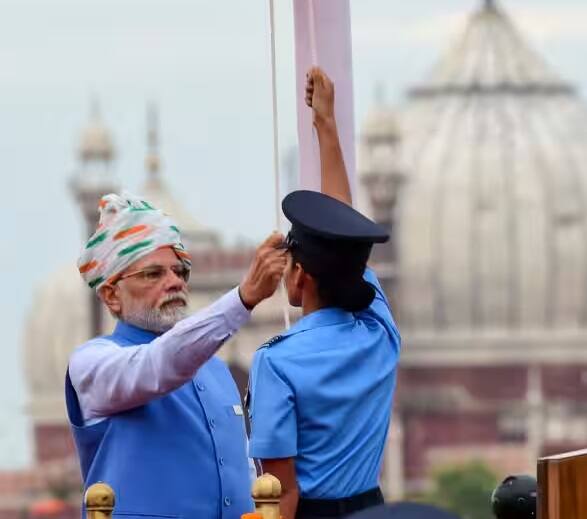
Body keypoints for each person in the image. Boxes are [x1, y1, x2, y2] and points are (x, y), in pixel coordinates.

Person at [66, 193, 287, 519]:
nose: (173, 283)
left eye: (180, 272)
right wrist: (242, 300)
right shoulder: (93, 364)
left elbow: (242, 468)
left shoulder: (216, 370)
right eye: (153, 274)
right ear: (112, 295)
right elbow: (158, 365)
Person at [247, 67, 401, 519]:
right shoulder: (379, 332)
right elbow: (344, 232)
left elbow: (280, 494)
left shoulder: (276, 362)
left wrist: (325, 126)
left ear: (301, 277)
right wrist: (325, 126)